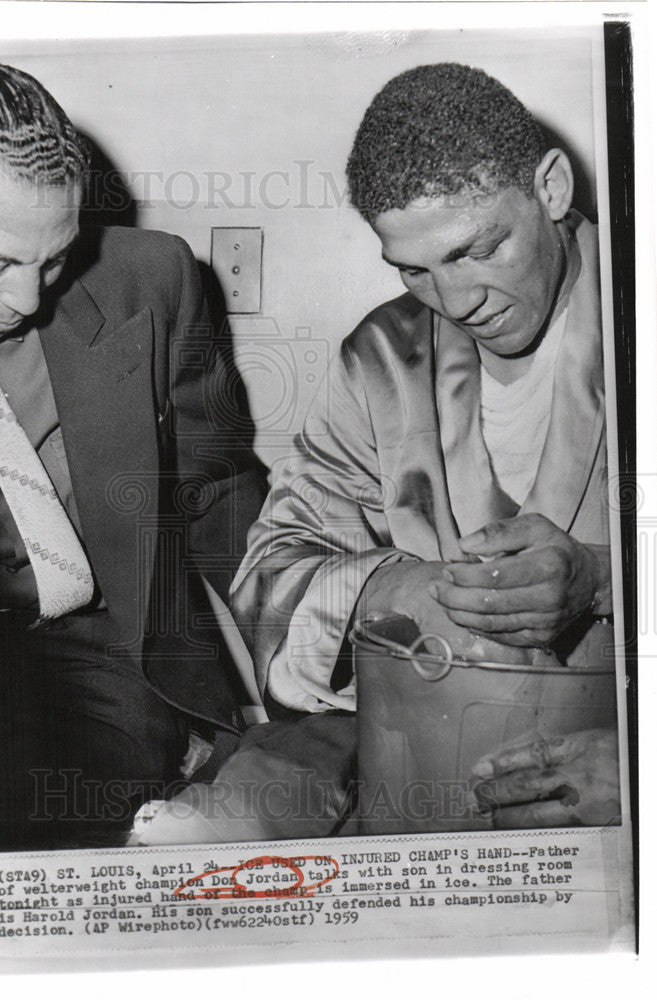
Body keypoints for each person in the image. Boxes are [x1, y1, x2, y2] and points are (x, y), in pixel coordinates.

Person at [229, 63, 619, 831]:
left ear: (550, 188)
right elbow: (269, 572)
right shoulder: (382, 356)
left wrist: (602, 582)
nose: (456, 301)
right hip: (427, 768)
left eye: (479, 249)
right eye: (416, 269)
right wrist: (391, 588)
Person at [0, 63, 265, 851]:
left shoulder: (148, 283)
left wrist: (308, 639)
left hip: (90, 649)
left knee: (56, 805)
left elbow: (215, 488)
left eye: (53, 259)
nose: (28, 300)